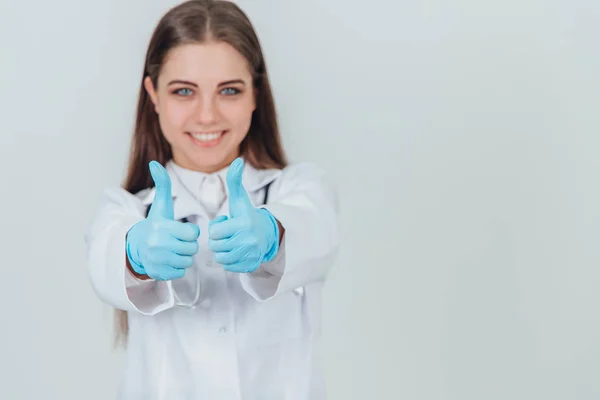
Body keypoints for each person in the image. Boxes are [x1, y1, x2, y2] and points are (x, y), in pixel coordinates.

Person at [84, 0, 340, 398]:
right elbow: (104, 262)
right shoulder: (126, 211)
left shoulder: (298, 190)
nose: (207, 116)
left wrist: (273, 234)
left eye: (229, 90)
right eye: (184, 91)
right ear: (153, 94)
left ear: (256, 93)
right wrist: (133, 256)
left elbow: (314, 226)